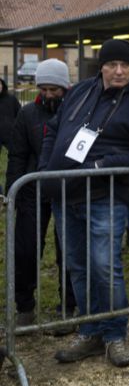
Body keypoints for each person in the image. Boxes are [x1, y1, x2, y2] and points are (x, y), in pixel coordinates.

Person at [39, 39, 129, 367]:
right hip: (65, 195)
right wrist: (45, 168)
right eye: (112, 64)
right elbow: (53, 130)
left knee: (105, 268)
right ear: (102, 66)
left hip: (105, 198)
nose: (119, 71)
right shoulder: (82, 91)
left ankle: (114, 335)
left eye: (125, 65)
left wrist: (102, 165)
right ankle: (90, 330)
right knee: (78, 267)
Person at [5, 58, 77, 331]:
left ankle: (68, 307)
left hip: (67, 191)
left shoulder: (75, 111)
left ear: (64, 88)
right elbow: (17, 154)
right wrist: (12, 191)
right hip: (32, 193)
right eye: (44, 89)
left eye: (54, 90)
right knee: (26, 250)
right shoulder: (27, 115)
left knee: (68, 251)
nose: (48, 94)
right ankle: (25, 307)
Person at [0, 77, 23, 192]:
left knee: (15, 161)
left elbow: (19, 114)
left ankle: (12, 191)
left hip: (11, 135)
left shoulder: (11, 99)